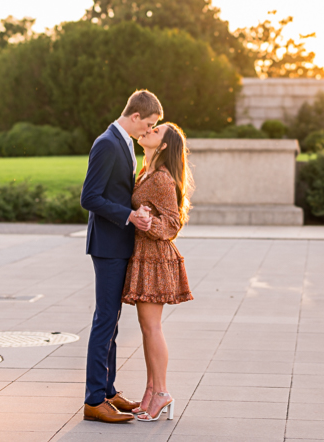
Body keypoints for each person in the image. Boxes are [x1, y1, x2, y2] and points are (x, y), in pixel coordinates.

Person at [80, 90, 162, 424]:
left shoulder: (124, 141)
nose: (150, 130)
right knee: (105, 320)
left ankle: (108, 391)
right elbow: (90, 197)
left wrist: (135, 209)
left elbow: (117, 193)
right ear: (136, 116)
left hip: (119, 243)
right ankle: (93, 400)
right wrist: (128, 216)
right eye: (150, 124)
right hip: (107, 245)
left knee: (111, 321)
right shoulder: (106, 142)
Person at [122, 122, 194, 422]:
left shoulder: (162, 179)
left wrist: (146, 222)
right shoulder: (147, 172)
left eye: (156, 131)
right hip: (144, 257)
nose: (148, 131)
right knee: (146, 327)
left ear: (163, 146)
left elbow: (173, 225)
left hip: (155, 260)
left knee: (152, 328)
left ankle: (162, 392)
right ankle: (151, 391)